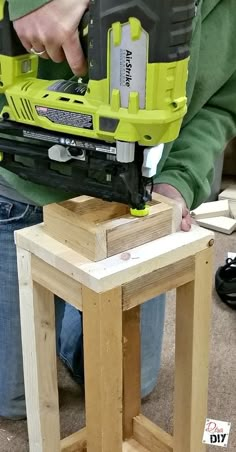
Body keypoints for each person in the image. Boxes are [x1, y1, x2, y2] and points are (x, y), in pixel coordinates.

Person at [0, 0, 236, 419]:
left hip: (127, 193)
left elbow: (222, 105)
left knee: (127, 384)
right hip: (19, 190)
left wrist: (178, 179)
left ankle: (73, 300)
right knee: (12, 400)